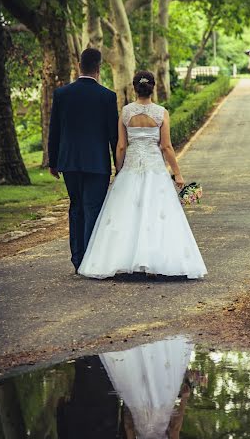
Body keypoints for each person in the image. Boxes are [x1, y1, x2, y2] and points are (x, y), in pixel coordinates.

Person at [78, 70, 207, 279]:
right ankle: (156, 262)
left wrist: (119, 170)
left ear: (134, 88)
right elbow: (166, 146)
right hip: (155, 168)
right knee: (157, 214)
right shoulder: (161, 113)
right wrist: (178, 173)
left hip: (131, 167)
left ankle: (122, 261)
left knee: (127, 213)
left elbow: (121, 146)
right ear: (153, 87)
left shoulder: (126, 112)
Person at [48, 48, 118, 274]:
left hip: (69, 162)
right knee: (92, 209)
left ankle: (78, 260)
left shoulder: (62, 94)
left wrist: (53, 161)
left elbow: (55, 130)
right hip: (97, 164)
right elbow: (113, 135)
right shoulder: (107, 96)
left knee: (76, 207)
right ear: (99, 68)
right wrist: (119, 164)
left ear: (79, 66)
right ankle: (90, 259)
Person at [98, 337, 194, 439]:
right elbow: (129, 429)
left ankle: (156, 347)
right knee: (136, 381)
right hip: (139, 414)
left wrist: (184, 400)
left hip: (161, 412)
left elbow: (174, 430)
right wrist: (127, 405)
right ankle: (134, 348)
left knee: (159, 380)